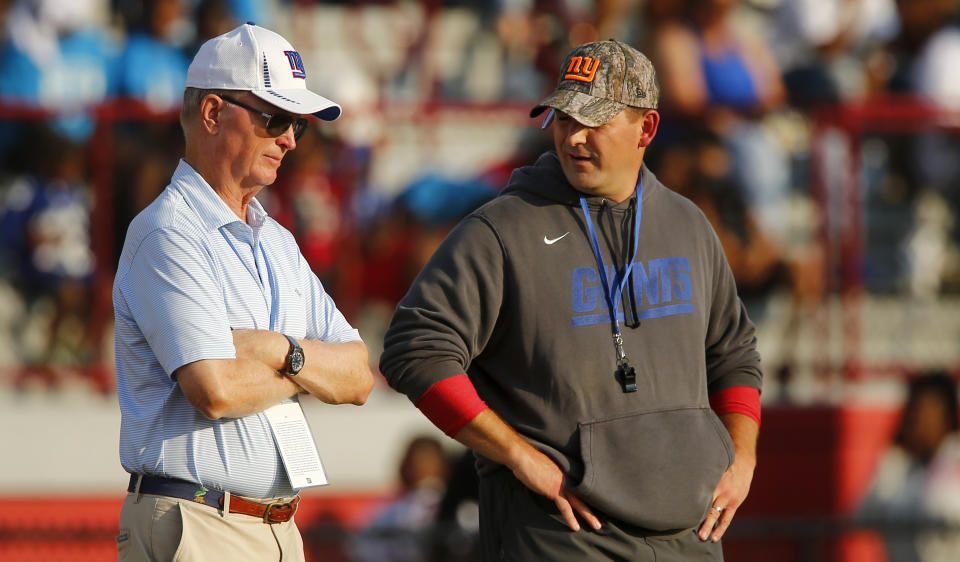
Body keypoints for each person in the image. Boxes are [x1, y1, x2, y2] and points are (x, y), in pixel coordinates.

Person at [379, 39, 763, 561]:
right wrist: (517, 455)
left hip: (690, 538)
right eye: (562, 119)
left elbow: (733, 353)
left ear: (645, 129)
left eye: (594, 120)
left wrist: (742, 457)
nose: (574, 137)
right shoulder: (501, 228)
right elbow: (414, 349)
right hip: (558, 537)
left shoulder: (688, 224)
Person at [113, 23, 374, 562]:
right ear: (212, 113)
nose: (291, 139)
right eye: (274, 117)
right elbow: (216, 390)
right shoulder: (166, 232)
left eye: (296, 123)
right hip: (201, 522)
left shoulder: (275, 238)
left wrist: (278, 350)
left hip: (269, 525)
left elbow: (358, 376)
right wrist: (307, 369)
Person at [858, 372, 960, 562]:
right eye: (911, 412)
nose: (916, 421)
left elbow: (940, 509)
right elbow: (861, 517)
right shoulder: (900, 465)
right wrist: (894, 460)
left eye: (924, 411)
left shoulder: (954, 459)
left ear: (945, 414)